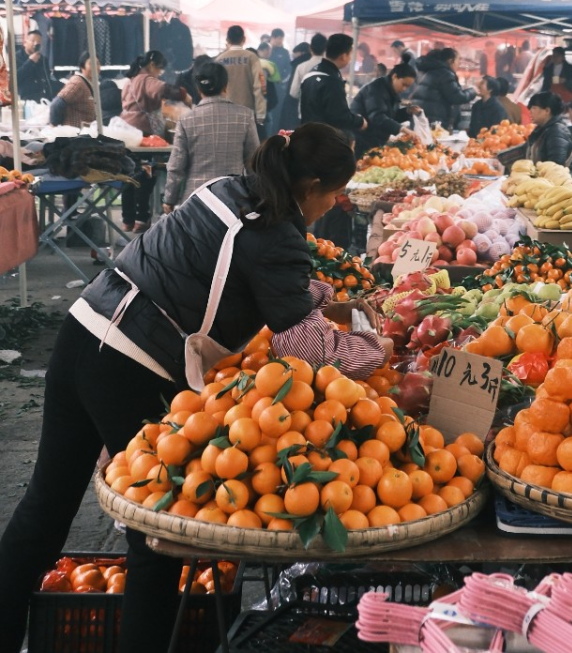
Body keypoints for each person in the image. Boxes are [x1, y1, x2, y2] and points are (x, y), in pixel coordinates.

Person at [0, 124, 391, 653]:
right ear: (314, 185)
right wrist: (381, 350)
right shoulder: (278, 234)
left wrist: (321, 298)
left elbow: (243, 275)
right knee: (157, 536)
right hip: (129, 364)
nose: (334, 204)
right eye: (334, 194)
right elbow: (310, 352)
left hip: (83, 332)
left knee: (44, 510)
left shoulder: (231, 188)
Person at [162, 60, 259, 211]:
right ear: (226, 86)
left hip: (195, 202)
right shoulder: (245, 116)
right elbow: (253, 163)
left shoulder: (187, 119)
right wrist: (256, 197)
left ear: (199, 88)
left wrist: (169, 199)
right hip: (233, 199)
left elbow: (176, 167)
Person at [120, 50, 192, 232]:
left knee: (128, 176)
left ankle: (127, 219)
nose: (160, 74)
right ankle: (141, 219)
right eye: (159, 70)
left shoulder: (130, 81)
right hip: (144, 136)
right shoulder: (146, 79)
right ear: (152, 66)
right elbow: (162, 89)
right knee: (145, 175)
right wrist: (183, 94)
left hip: (127, 133)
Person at [300, 33, 365, 142]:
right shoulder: (331, 81)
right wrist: (360, 121)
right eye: (350, 54)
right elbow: (339, 117)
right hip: (323, 141)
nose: (350, 59)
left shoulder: (311, 73)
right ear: (343, 56)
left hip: (307, 136)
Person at [351, 63, 418, 155]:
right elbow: (377, 117)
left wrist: (407, 111)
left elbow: (391, 116)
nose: (404, 89)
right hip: (361, 139)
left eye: (407, 87)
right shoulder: (376, 89)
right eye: (404, 84)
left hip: (373, 138)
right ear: (395, 76)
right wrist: (401, 129)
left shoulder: (391, 92)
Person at [214, 25, 266, 130]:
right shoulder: (252, 57)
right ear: (244, 39)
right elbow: (259, 85)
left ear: (227, 40)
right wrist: (260, 114)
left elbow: (215, 89)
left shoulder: (219, 60)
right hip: (247, 113)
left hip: (224, 113)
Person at [411, 48, 475, 129]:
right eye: (458, 60)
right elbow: (457, 97)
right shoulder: (445, 74)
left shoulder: (425, 71)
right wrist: (473, 91)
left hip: (421, 118)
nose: (458, 64)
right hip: (434, 120)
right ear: (450, 61)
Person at [520, 92, 572, 165]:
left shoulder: (557, 132)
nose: (530, 111)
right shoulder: (542, 129)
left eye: (534, 108)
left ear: (547, 111)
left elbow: (555, 166)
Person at [50, 53, 97, 129]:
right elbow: (56, 104)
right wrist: (55, 127)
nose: (95, 67)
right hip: (73, 135)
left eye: (97, 63)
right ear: (82, 66)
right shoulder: (77, 83)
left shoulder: (88, 83)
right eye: (91, 64)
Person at [16, 29, 55, 102]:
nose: (35, 44)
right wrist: (30, 62)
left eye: (39, 42)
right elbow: (16, 78)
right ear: (25, 43)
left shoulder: (43, 59)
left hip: (42, 98)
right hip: (24, 97)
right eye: (33, 41)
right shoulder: (16, 58)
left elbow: (47, 80)